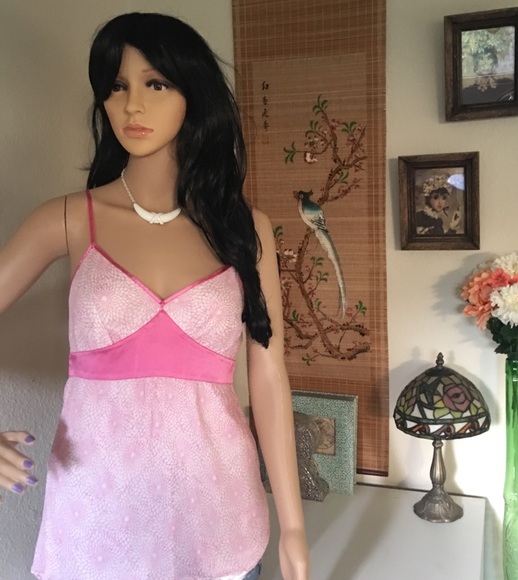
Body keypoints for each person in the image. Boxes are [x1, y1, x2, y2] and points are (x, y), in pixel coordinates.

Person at [0, 12, 308, 580]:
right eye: (117, 86)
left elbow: (269, 374)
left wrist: (293, 528)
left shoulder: (246, 229)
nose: (132, 105)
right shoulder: (68, 218)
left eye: (155, 84)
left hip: (221, 524)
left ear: (193, 93)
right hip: (93, 527)